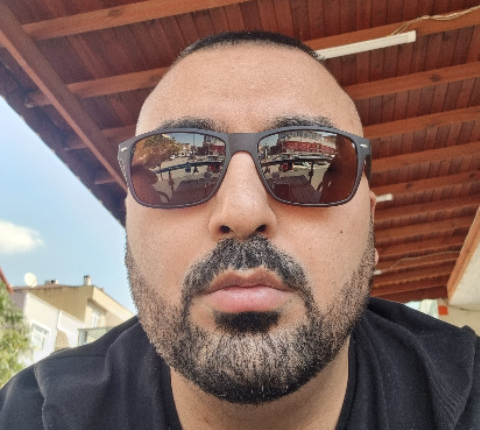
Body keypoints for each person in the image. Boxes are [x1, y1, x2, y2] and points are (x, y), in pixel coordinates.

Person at [1, 31, 478, 429]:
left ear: (370, 226)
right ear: (131, 224)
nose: (244, 211)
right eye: (179, 168)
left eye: (305, 165)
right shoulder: (33, 415)